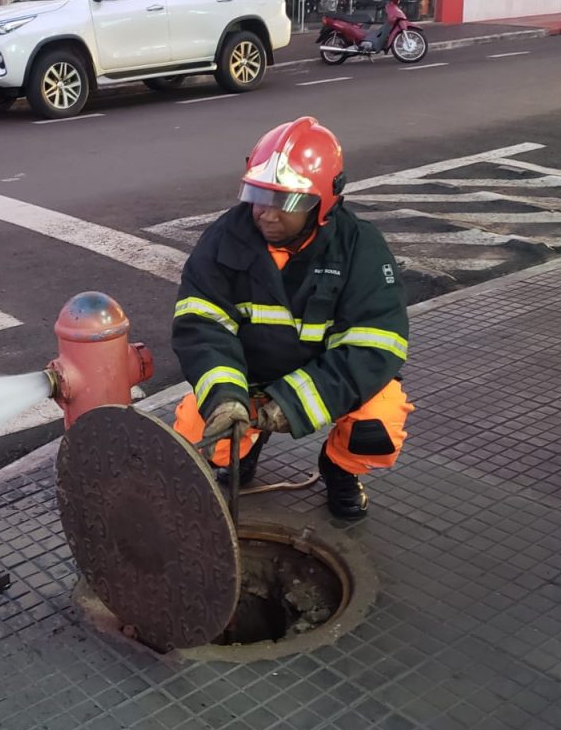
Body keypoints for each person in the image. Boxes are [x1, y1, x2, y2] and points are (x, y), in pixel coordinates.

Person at [171, 117, 413, 519]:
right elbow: (201, 325)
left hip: (325, 384)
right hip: (247, 381)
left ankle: (339, 469)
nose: (265, 214)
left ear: (323, 204)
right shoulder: (222, 240)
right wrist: (224, 397)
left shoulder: (361, 248)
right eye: (258, 196)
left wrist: (293, 403)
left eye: (285, 202)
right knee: (200, 433)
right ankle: (240, 451)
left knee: (377, 427)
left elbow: (374, 347)